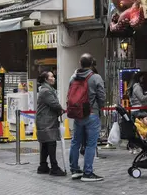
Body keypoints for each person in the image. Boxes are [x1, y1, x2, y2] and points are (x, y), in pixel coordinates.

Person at [68, 53, 105, 182]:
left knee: (75, 142)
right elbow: (101, 97)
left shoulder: (73, 78)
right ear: (92, 64)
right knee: (90, 144)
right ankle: (87, 173)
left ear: (80, 63)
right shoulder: (95, 77)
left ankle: (74, 170)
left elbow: (70, 95)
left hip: (77, 115)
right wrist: (100, 107)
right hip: (91, 114)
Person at [36, 70, 66, 176]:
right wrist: (61, 110)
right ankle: (54, 167)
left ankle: (43, 166)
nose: (54, 78)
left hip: (44, 120)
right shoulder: (46, 91)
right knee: (51, 143)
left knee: (45, 143)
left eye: (53, 76)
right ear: (46, 79)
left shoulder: (46, 89)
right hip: (47, 121)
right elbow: (54, 104)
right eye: (51, 77)